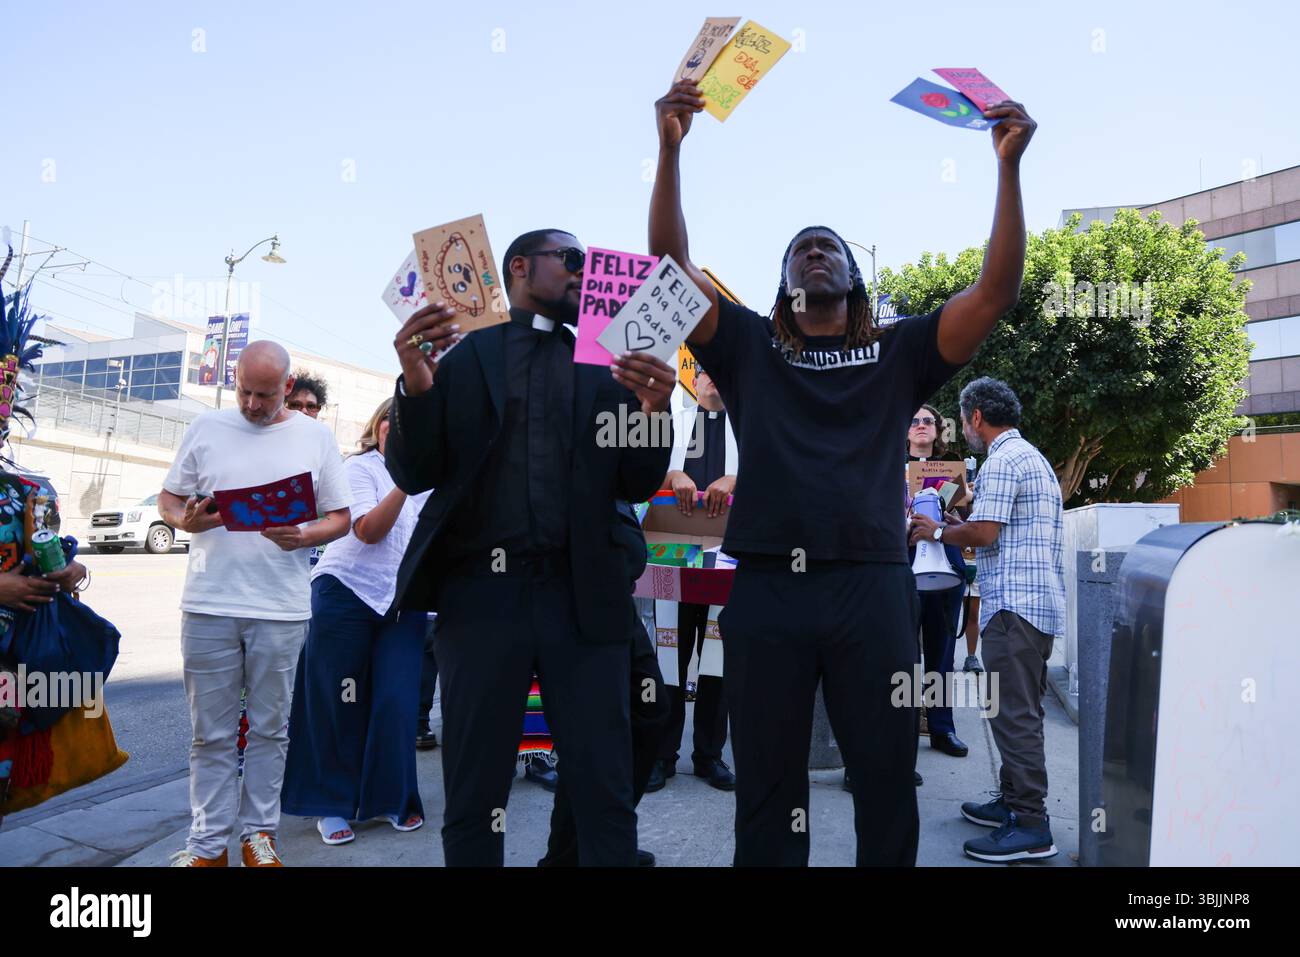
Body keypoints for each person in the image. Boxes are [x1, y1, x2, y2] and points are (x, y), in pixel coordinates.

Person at [649, 80, 1037, 866]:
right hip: (765, 587)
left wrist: (1007, 168)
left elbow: (996, 291)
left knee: (887, 777)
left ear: (853, 280)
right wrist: (670, 146)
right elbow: (668, 263)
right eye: (800, 247)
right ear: (785, 281)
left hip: (872, 585)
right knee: (767, 782)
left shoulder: (899, 351)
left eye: (828, 245)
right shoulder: (750, 346)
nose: (815, 251)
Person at [386, 229, 675, 867]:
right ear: (519, 267)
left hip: (584, 596)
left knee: (604, 780)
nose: (584, 271)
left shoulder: (608, 364)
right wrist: (414, 383)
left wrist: (654, 408)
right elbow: (414, 472)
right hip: (482, 600)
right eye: (571, 259)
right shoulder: (459, 356)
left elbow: (635, 481)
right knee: (475, 785)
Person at [159, 341, 352, 867]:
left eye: (264, 395)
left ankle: (259, 836)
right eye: (244, 390)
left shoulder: (314, 436)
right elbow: (170, 497)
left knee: (270, 728)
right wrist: (184, 521)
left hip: (282, 606)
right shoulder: (206, 427)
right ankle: (207, 846)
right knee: (211, 734)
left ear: (287, 388)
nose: (251, 403)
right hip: (208, 601)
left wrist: (305, 533)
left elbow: (341, 517)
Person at [908, 377, 1065, 862]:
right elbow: (989, 530)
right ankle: (1012, 802)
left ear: (975, 417)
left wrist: (935, 529)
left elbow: (988, 533)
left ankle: (1032, 824)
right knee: (1017, 710)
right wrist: (957, 529)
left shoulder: (1001, 460)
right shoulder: (1028, 456)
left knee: (1013, 715)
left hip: (1014, 608)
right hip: (1033, 605)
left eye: (963, 420)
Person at [282, 397, 430, 845]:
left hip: (404, 601)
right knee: (336, 702)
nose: (399, 430)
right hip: (346, 592)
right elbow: (367, 530)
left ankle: (391, 798)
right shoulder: (360, 468)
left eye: (411, 425)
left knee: (397, 700)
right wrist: (405, 480)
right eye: (392, 421)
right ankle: (330, 804)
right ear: (378, 425)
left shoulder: (435, 479)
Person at [540, 500, 669, 867]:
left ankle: (599, 836)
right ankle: (574, 852)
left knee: (650, 710)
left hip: (614, 599)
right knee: (588, 741)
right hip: (576, 602)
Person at [648, 373, 737, 791]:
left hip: (726, 553)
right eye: (707, 372)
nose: (715, 379)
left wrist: (737, 480)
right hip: (673, 551)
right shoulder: (675, 422)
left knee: (718, 657)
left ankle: (710, 755)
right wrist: (673, 475)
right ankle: (661, 755)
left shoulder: (746, 425)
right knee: (669, 655)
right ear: (694, 379)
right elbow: (642, 470)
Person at [906, 403, 969, 759]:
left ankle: (942, 729)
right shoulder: (888, 467)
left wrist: (961, 505)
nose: (920, 426)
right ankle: (901, 732)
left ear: (938, 430)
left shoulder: (952, 472)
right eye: (913, 421)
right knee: (901, 653)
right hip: (904, 563)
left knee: (942, 651)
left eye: (927, 421)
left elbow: (967, 521)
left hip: (947, 566)